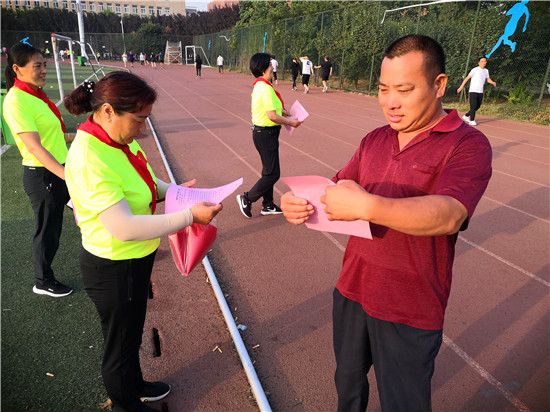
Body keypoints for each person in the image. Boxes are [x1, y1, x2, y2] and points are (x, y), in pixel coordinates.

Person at [281, 35, 492, 412]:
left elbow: (450, 214)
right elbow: (335, 189)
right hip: (352, 290)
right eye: (383, 89)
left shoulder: (467, 144)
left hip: (410, 306)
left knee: (403, 402)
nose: (390, 102)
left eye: (404, 90)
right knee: (347, 386)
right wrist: (297, 203)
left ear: (439, 85)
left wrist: (368, 205)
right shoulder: (374, 139)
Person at [63, 71, 222, 412]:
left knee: (130, 333)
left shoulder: (119, 140)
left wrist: (178, 193)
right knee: (119, 345)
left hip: (134, 259)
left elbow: (147, 182)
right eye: (139, 120)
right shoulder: (90, 157)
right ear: (108, 111)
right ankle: (125, 404)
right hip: (113, 265)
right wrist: (190, 215)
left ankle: (134, 385)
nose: (143, 128)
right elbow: (123, 227)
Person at [3, 42, 73, 297]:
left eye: (45, 65)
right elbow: (35, 147)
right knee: (48, 231)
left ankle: (121, 248)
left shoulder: (37, 95)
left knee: (96, 208)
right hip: (44, 175)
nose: (44, 70)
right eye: (38, 66)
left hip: (61, 169)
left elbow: (54, 136)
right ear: (17, 69)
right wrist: (66, 176)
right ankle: (43, 281)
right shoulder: (16, 101)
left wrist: (81, 136)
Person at [236, 53, 303, 219]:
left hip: (264, 134)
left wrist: (286, 114)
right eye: (270, 65)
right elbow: (271, 115)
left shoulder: (262, 85)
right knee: (273, 174)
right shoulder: (265, 88)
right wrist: (290, 122)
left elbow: (272, 109)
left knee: (268, 170)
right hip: (265, 134)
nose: (273, 67)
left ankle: (268, 205)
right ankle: (247, 198)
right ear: (262, 69)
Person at [457, 57, 496, 126]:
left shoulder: (486, 71)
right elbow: (467, 78)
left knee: (477, 106)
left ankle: (466, 116)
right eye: (482, 61)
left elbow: (488, 79)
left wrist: (492, 82)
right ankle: (472, 120)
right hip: (473, 90)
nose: (483, 62)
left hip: (480, 91)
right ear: (479, 63)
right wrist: (461, 87)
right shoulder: (475, 70)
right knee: (473, 106)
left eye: (485, 61)